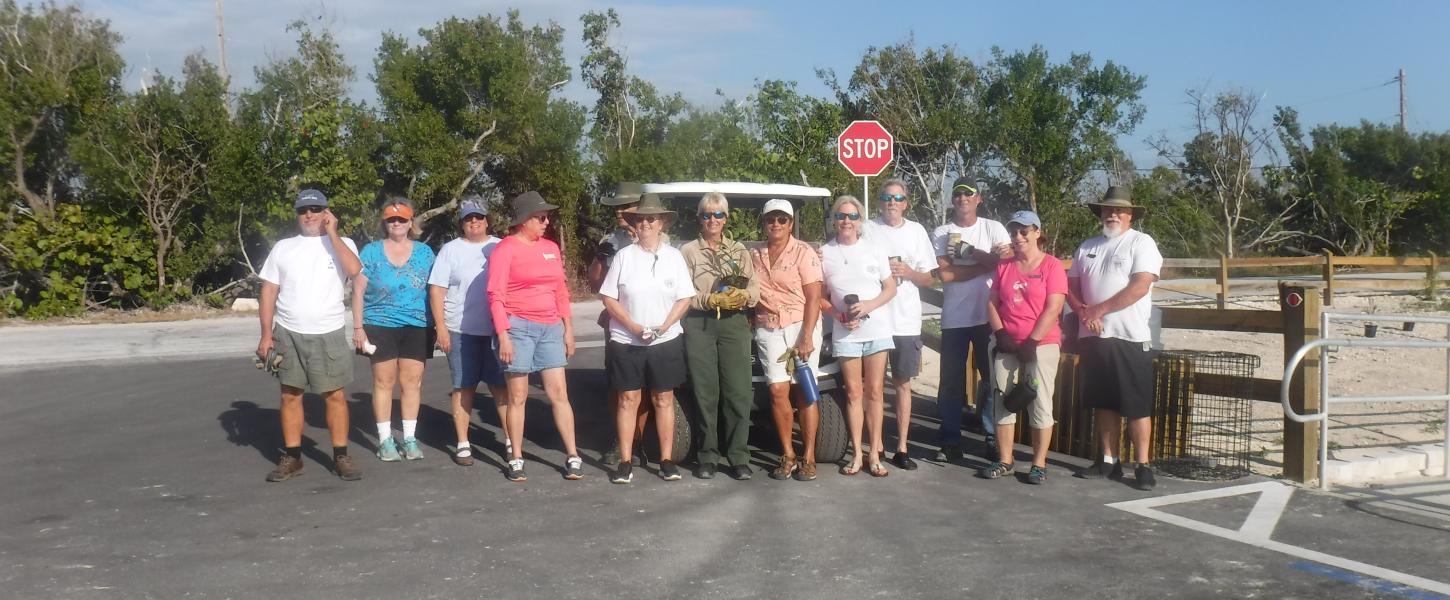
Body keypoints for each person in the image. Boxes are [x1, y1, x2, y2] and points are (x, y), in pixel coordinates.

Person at [256, 188, 363, 482]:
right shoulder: (283, 248)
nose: (310, 215)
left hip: (328, 332)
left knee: (335, 396)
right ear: (297, 214)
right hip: (288, 332)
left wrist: (333, 234)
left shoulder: (342, 244)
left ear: (326, 212)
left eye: (316, 209)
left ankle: (341, 455)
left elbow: (354, 270)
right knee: (290, 395)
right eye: (304, 210)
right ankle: (293, 457)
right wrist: (266, 335)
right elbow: (268, 291)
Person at [1069, 186, 1163, 491]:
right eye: (1108, 209)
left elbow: (1141, 285)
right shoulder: (1086, 247)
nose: (1113, 214)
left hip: (1129, 337)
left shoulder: (1141, 242)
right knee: (1104, 402)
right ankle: (1108, 460)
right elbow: (1071, 286)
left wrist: (1100, 309)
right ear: (1100, 213)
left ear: (1130, 215)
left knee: (1136, 405)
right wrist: (1084, 312)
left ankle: (1143, 464)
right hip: (1093, 336)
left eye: (1119, 210)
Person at [487, 191, 584, 482]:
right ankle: (516, 456)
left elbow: (561, 291)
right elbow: (495, 295)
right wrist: (503, 335)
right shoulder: (505, 249)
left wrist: (568, 330)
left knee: (559, 394)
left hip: (551, 327)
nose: (546, 221)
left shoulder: (551, 248)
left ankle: (573, 454)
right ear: (524, 220)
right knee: (518, 396)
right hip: (518, 329)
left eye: (546, 217)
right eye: (540, 217)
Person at [599, 194, 696, 484]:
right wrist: (631, 325)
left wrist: (664, 326)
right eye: (640, 219)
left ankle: (666, 460)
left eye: (650, 219)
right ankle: (626, 461)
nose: (645, 224)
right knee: (628, 399)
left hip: (664, 340)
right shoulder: (623, 256)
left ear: (661, 222)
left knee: (663, 398)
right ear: (634, 224)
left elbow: (685, 297)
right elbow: (608, 297)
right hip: (626, 340)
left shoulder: (674, 257)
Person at [977, 211, 1066, 485]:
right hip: (1006, 343)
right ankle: (1005, 459)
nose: (1018, 237)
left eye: (1024, 231)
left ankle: (1038, 463)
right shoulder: (1004, 266)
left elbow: (1054, 307)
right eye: (1014, 232)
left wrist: (1033, 341)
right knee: (1003, 399)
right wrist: (1000, 332)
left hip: (1041, 344)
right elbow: (992, 302)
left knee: (1039, 400)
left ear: (1037, 232)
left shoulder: (1051, 266)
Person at [929, 177, 1012, 462]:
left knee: (991, 379)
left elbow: (1007, 262)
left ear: (979, 198)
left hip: (989, 316)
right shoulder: (942, 232)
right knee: (951, 381)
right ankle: (951, 440)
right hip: (955, 318)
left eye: (968, 194)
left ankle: (991, 437)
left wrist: (970, 253)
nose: (962, 198)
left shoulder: (993, 228)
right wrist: (985, 263)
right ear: (952, 200)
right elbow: (945, 274)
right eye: (957, 195)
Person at [680, 192, 760, 480]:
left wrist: (744, 296)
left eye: (718, 214)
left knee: (738, 391)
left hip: (734, 323)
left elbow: (755, 290)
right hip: (701, 324)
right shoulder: (688, 251)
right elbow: (682, 294)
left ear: (726, 218)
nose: (712, 220)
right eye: (706, 214)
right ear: (699, 218)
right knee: (705, 393)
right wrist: (708, 300)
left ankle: (738, 456)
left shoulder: (739, 251)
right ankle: (707, 455)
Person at [427, 196, 510, 466]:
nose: (473, 222)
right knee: (463, 387)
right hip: (460, 331)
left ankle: (511, 441)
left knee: (501, 389)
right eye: (468, 218)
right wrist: (441, 328)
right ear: (462, 223)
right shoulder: (450, 250)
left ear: (487, 220)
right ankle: (463, 443)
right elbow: (437, 290)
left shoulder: (501, 247)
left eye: (478, 217)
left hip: (497, 332)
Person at [352, 198, 436, 463]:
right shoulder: (371, 252)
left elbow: (436, 290)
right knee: (383, 382)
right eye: (391, 219)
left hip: (417, 324)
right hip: (379, 323)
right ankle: (386, 439)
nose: (397, 224)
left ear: (411, 222)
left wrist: (441, 324)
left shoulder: (425, 252)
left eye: (402, 219)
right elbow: (358, 290)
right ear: (385, 223)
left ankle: (409, 438)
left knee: (412, 383)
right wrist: (358, 327)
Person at [821, 195, 898, 477]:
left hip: (876, 329)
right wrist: (840, 316)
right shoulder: (824, 252)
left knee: (875, 391)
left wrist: (868, 305)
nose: (846, 222)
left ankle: (875, 453)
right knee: (854, 393)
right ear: (834, 220)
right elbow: (820, 296)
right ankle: (856, 453)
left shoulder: (874, 250)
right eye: (841, 216)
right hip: (846, 332)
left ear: (860, 221)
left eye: (852, 217)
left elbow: (890, 288)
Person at [750, 199, 825, 481]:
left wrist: (807, 334)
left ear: (791, 223)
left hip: (799, 326)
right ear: (764, 222)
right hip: (768, 327)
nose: (776, 224)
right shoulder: (754, 255)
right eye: (771, 219)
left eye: (782, 219)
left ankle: (809, 456)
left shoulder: (804, 253)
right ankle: (788, 454)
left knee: (804, 390)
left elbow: (815, 296)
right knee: (777, 391)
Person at [863, 178, 935, 471]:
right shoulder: (867, 228)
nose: (892, 202)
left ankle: (903, 448)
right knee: (873, 387)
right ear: (880, 201)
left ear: (906, 203)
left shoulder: (916, 231)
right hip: (876, 319)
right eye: (886, 197)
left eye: (897, 198)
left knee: (903, 384)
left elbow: (930, 277)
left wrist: (909, 271)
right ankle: (876, 446)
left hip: (905, 321)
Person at [588, 183, 656, 468]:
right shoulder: (611, 240)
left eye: (624, 206)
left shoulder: (658, 237)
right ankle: (621, 439)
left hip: (652, 321)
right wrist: (600, 257)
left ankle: (643, 439)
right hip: (619, 322)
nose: (619, 212)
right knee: (620, 386)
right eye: (616, 207)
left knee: (651, 385)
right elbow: (595, 283)